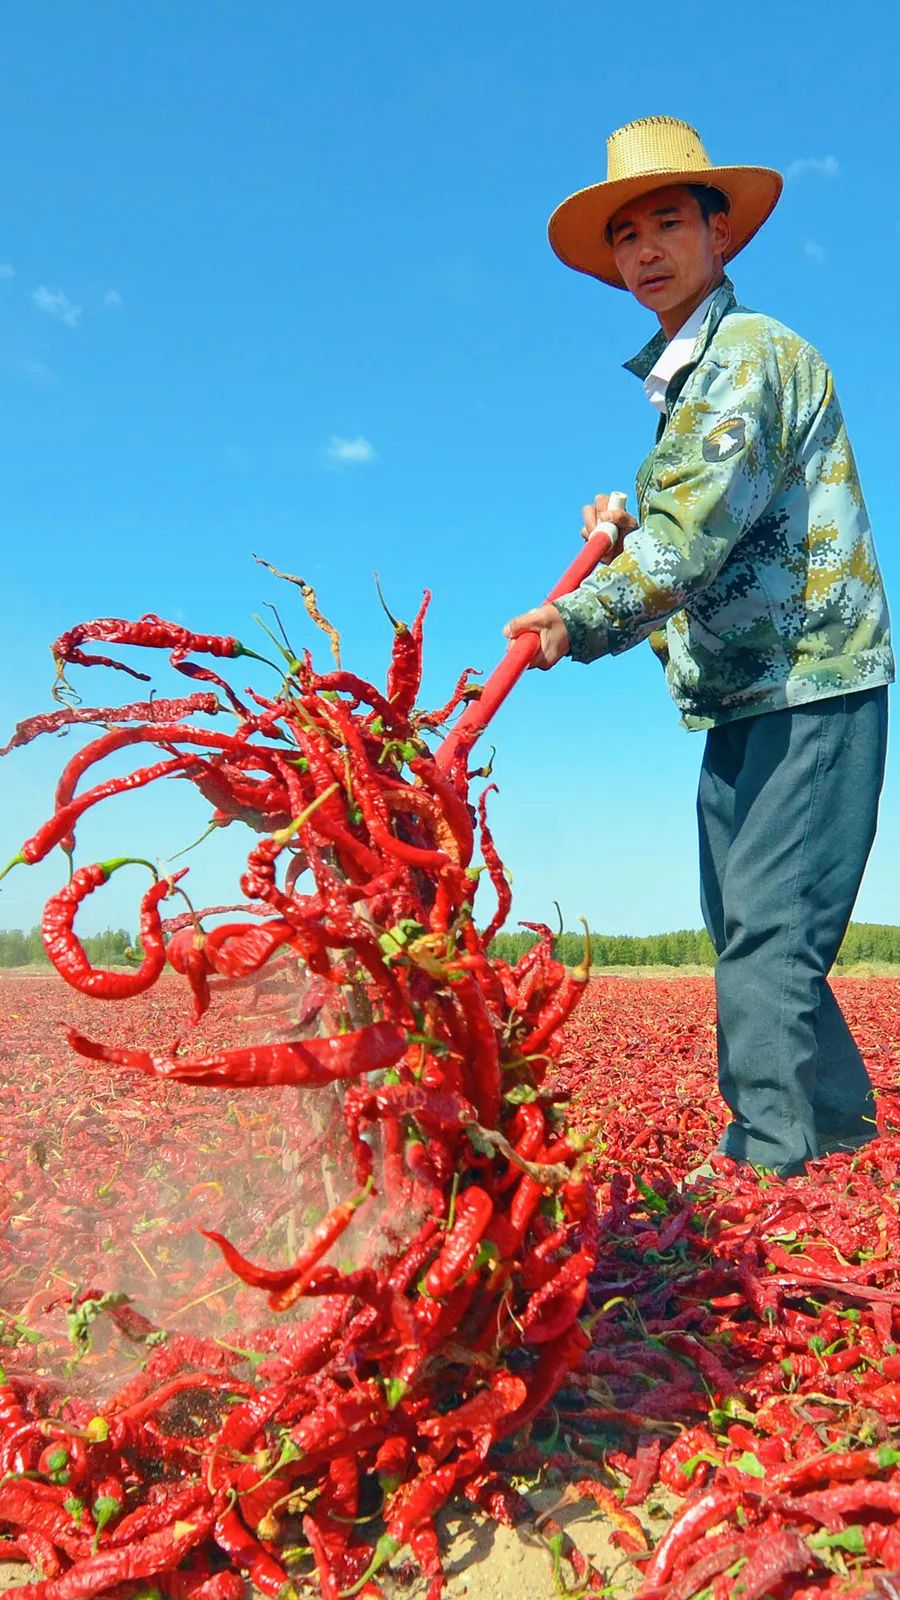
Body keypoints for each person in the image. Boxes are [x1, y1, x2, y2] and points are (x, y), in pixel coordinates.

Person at [504, 116, 893, 1177]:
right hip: (746, 696)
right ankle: (844, 1141)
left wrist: (573, 618)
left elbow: (686, 545)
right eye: (626, 234)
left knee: (767, 943)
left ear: (721, 235)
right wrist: (623, 541)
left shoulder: (748, 359)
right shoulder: (686, 385)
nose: (645, 251)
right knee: (759, 940)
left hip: (807, 686)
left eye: (668, 221)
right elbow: (687, 558)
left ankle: (764, 1172)